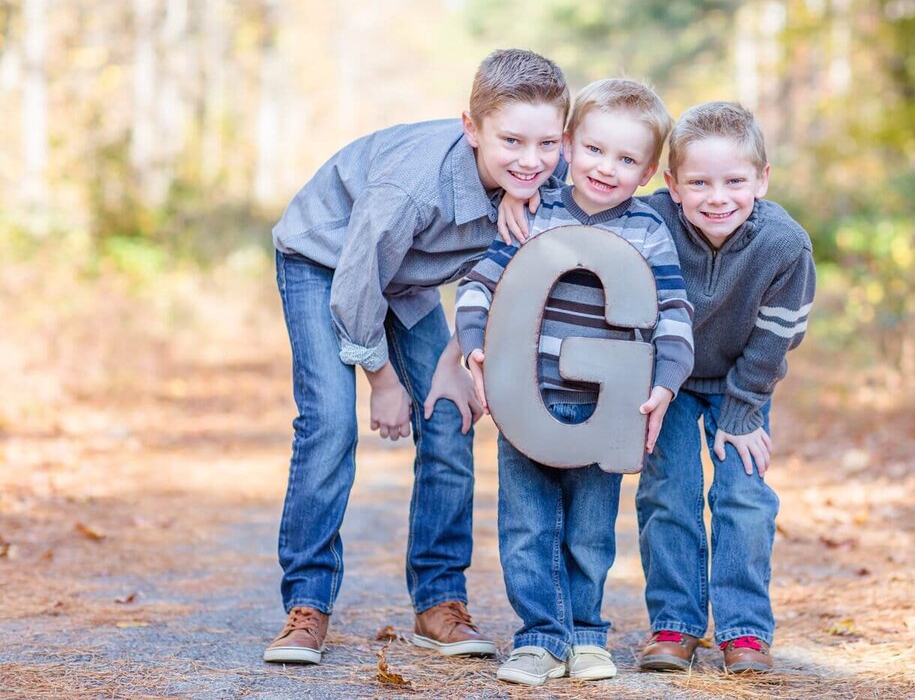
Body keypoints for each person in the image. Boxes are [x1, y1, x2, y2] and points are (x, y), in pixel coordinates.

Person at [264, 49, 570, 665]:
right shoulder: (412, 186)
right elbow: (356, 283)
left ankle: (439, 600)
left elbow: (541, 246)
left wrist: (522, 195)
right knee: (329, 423)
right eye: (511, 141)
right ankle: (308, 605)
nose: (531, 160)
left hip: (406, 279)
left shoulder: (538, 178)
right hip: (325, 261)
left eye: (547, 144)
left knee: (449, 417)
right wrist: (381, 379)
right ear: (471, 127)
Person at [455, 78, 694, 686]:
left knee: (590, 532)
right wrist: (477, 347)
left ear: (647, 173)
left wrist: (665, 382)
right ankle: (538, 636)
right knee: (525, 526)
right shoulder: (533, 213)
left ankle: (586, 634)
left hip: (607, 410)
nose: (605, 168)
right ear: (567, 145)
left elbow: (673, 313)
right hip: (525, 398)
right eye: (593, 150)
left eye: (626, 159)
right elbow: (479, 285)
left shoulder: (648, 232)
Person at [635, 102, 816, 674]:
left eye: (735, 181)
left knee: (744, 496)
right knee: (669, 493)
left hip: (743, 382)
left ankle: (744, 632)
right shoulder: (647, 222)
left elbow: (776, 339)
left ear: (762, 179)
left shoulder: (785, 245)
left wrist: (742, 412)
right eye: (699, 183)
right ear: (672, 184)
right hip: (666, 380)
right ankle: (675, 624)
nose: (718, 198)